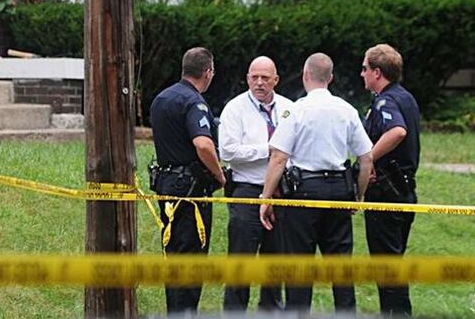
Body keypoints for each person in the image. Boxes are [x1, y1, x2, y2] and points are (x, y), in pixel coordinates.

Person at [259, 53, 373, 312]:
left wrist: (265, 198)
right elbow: (366, 158)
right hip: (339, 193)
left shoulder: (297, 109)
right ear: (330, 78)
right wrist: (359, 195)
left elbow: (278, 157)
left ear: (305, 75)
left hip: (303, 196)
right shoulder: (347, 110)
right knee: (342, 270)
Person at [149, 47, 226, 313]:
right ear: (207, 72)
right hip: (191, 192)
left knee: (174, 258)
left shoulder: (161, 98)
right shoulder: (195, 102)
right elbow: (203, 145)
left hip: (166, 187)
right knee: (191, 262)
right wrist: (219, 174)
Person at [219, 56, 293, 311]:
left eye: (265, 78)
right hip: (247, 191)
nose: (259, 83)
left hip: (282, 193)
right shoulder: (235, 108)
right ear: (247, 78)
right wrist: (269, 150)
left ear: (276, 79)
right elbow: (228, 152)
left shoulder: (289, 108)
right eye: (254, 77)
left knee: (276, 264)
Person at [360, 44, 420, 317]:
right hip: (404, 191)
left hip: (387, 193)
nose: (361, 74)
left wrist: (369, 158)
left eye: (364, 69)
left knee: (386, 266)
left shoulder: (386, 100)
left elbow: (397, 131)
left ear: (377, 72)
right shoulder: (406, 97)